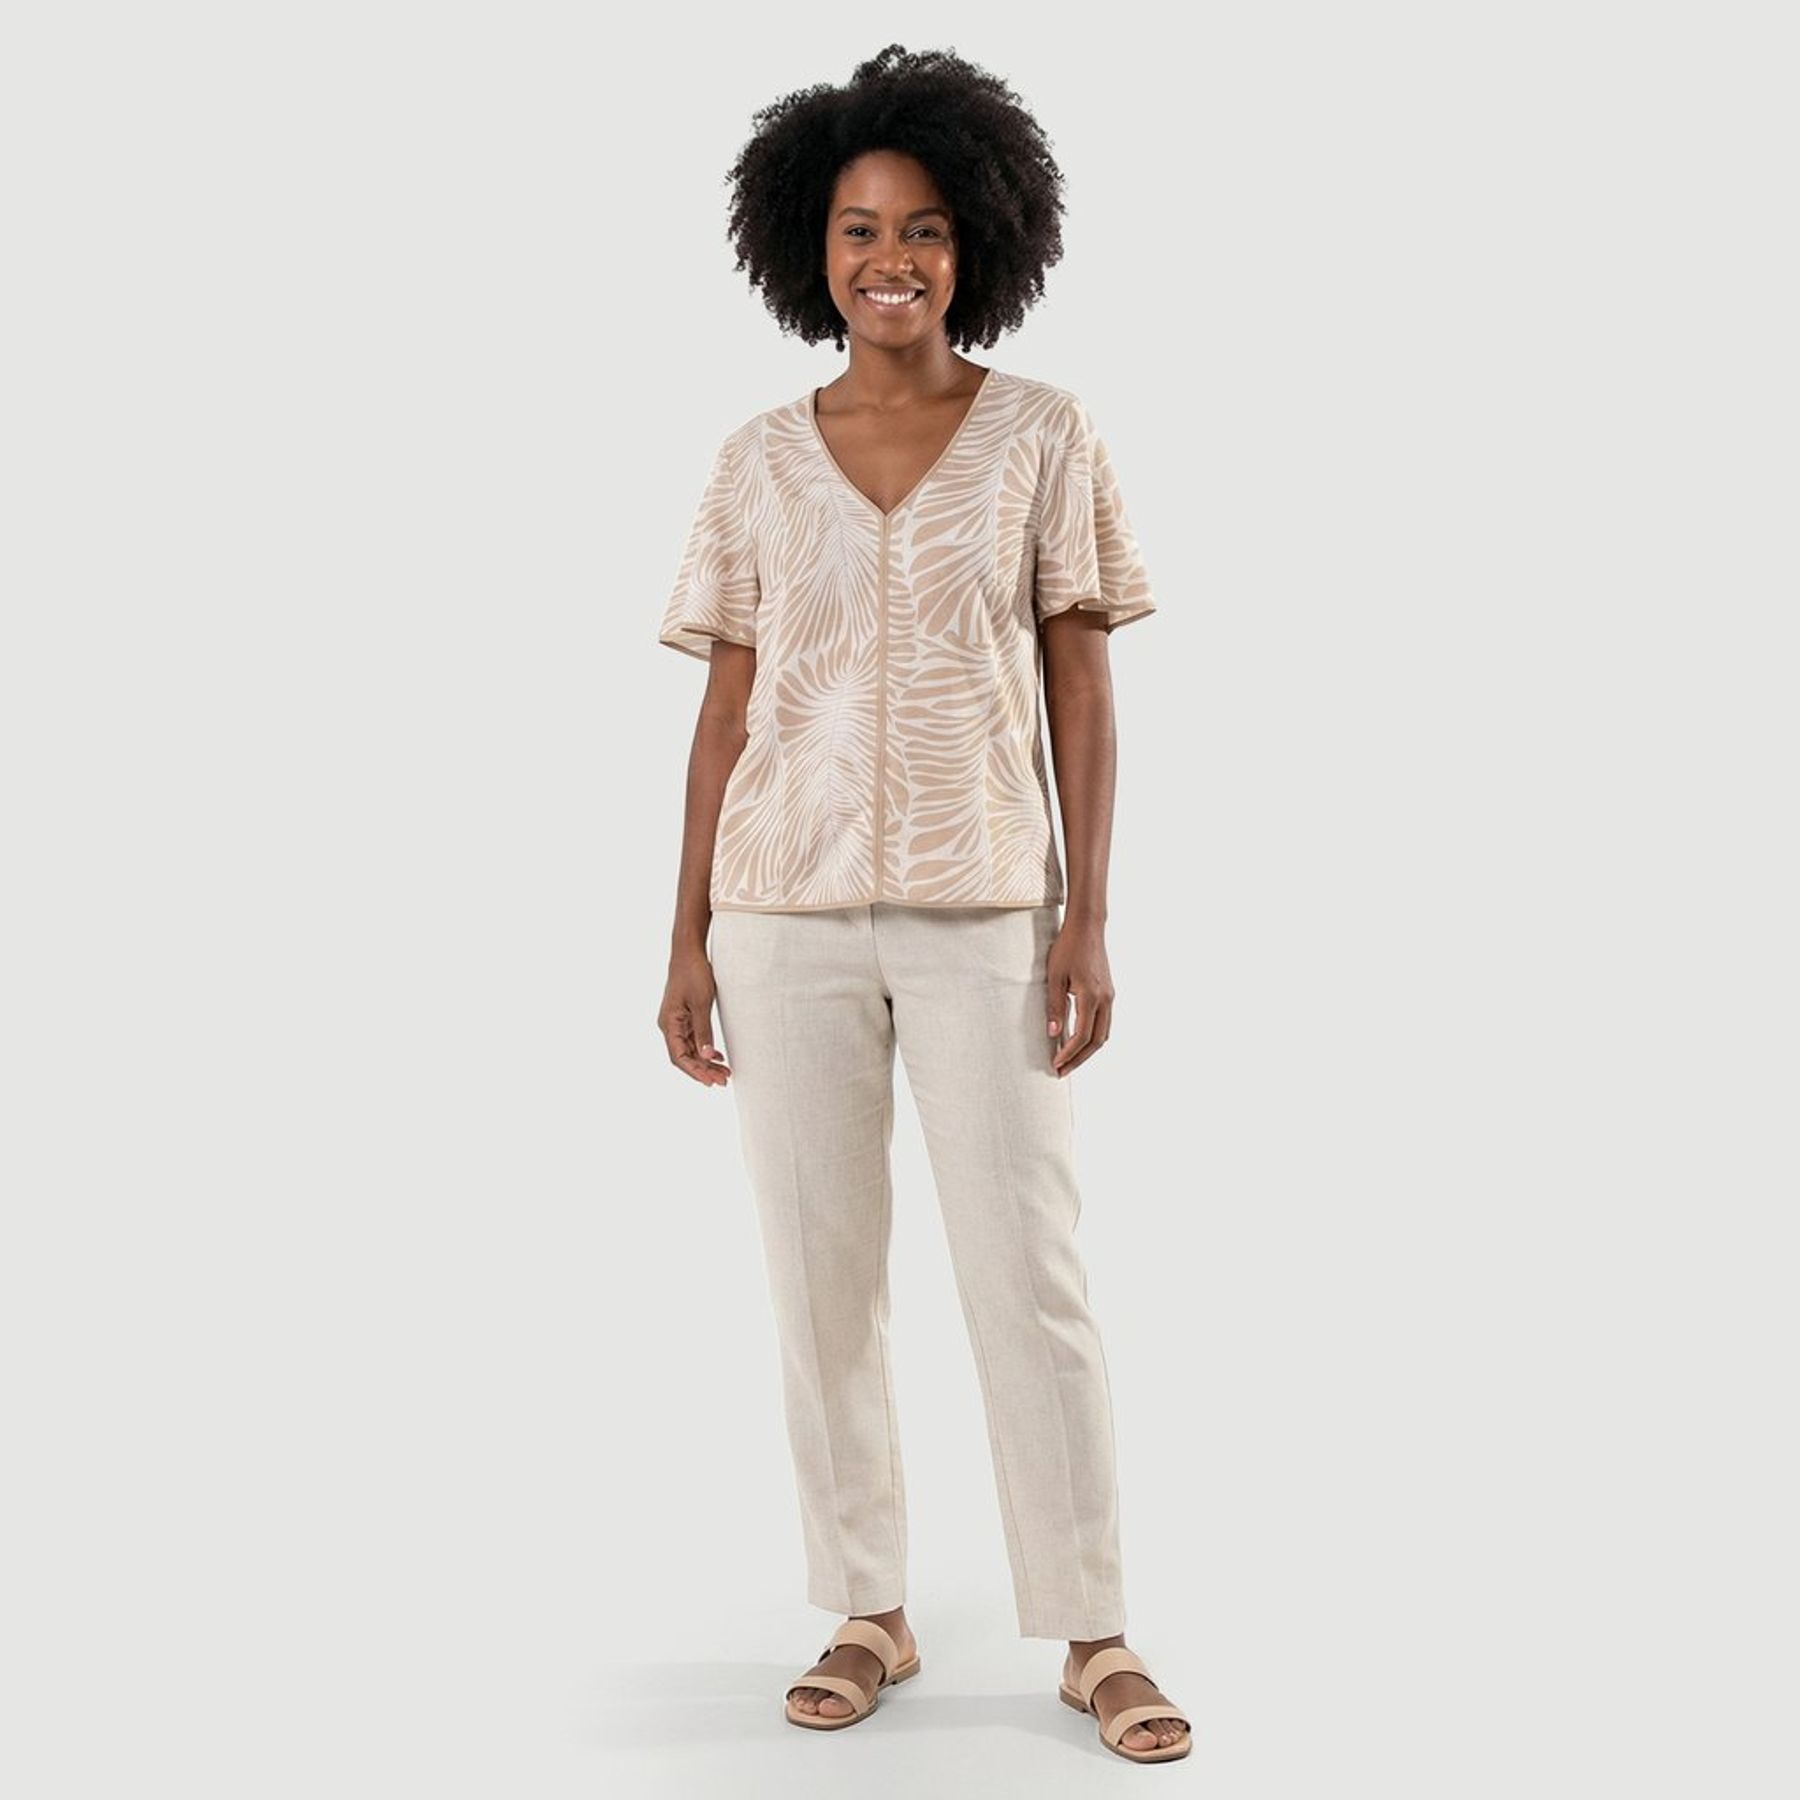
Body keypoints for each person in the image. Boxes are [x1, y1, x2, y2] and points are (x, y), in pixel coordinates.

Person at [654, 44, 1192, 1765]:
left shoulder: (1046, 437)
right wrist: (683, 935)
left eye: (926, 229)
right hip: (779, 912)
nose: (891, 258)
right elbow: (726, 708)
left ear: (980, 245)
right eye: (860, 229)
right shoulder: (757, 460)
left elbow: (1082, 686)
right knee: (821, 1280)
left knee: (1028, 1273)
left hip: (985, 911)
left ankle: (1094, 1630)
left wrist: (1085, 918)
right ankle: (866, 1606)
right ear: (807, 248)